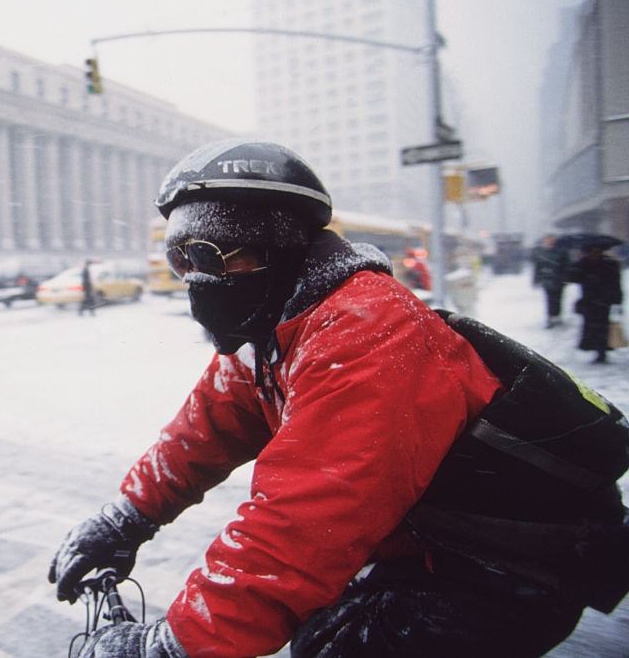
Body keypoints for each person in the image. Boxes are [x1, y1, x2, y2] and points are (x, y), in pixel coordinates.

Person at [49, 140, 628, 657]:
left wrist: (172, 645)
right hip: (423, 546)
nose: (194, 279)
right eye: (181, 262)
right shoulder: (274, 326)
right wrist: (123, 519)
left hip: (500, 568)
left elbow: (301, 521)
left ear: (276, 245)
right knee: (321, 629)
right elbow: (201, 432)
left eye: (208, 254)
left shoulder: (367, 329)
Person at [568, 243, 623, 363]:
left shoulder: (610, 263)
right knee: (593, 327)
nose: (595, 253)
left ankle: (601, 352)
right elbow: (571, 277)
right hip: (590, 301)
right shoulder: (584, 263)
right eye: (592, 250)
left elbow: (616, 284)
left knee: (601, 327)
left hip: (603, 301)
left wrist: (618, 301)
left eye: (597, 250)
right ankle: (598, 350)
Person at [531, 234, 570, 328]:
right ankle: (550, 318)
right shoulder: (542, 253)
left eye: (551, 240)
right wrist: (536, 280)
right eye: (547, 240)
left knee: (558, 298)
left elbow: (566, 266)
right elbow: (538, 267)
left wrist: (566, 278)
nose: (549, 242)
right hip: (547, 280)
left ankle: (557, 316)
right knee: (549, 299)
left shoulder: (561, 252)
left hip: (559, 280)